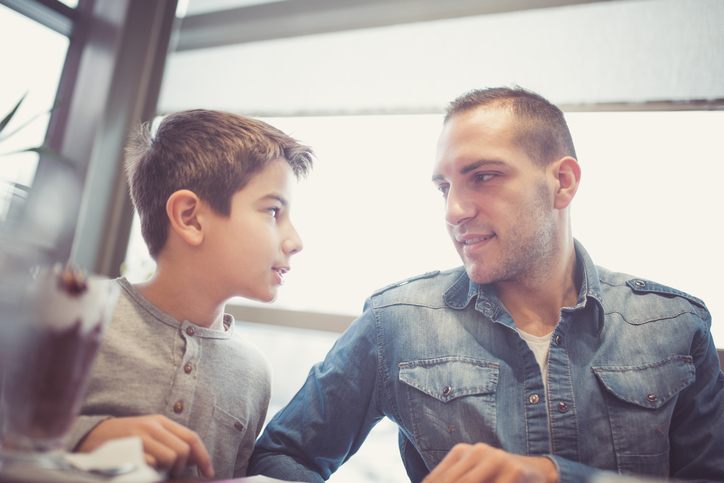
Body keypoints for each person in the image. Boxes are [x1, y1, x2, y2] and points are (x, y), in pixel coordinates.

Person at [248, 87, 724, 483]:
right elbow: (280, 460)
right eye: (444, 188)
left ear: (562, 182)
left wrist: (556, 476)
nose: (454, 210)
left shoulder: (675, 326)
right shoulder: (393, 323)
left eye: (484, 176)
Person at [65, 109, 313, 479]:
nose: (296, 242)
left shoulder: (254, 373)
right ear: (190, 218)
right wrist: (84, 437)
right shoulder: (74, 314)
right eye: (273, 211)